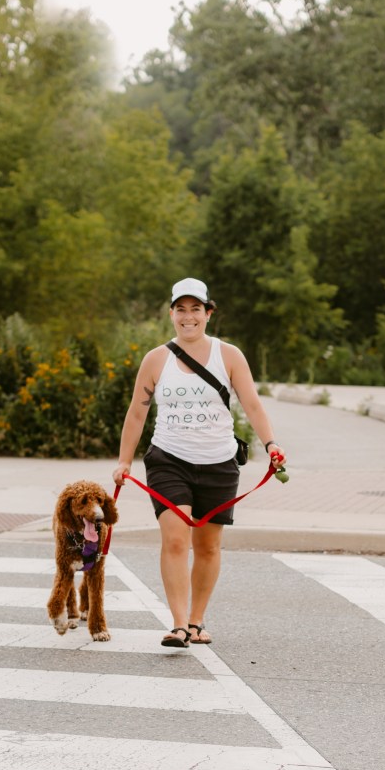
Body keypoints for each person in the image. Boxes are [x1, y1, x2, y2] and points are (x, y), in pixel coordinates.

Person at [112, 277, 285, 648]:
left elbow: (252, 404)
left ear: (209, 313)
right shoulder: (156, 359)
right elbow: (137, 414)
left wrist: (271, 444)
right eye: (180, 309)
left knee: (207, 546)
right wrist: (124, 461)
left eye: (196, 309)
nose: (187, 317)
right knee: (175, 540)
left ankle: (196, 620)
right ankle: (177, 624)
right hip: (168, 460)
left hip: (219, 461)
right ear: (171, 313)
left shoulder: (230, 355)